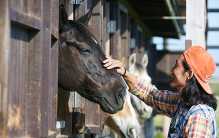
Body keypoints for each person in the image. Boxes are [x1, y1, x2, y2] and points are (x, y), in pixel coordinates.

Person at [102, 46, 217, 138]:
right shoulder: (183, 102)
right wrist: (125, 72)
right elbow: (151, 95)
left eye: (176, 65)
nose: (171, 70)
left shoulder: (198, 117)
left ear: (189, 74)